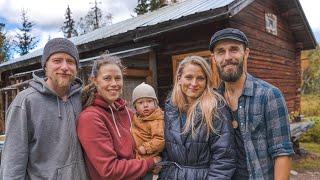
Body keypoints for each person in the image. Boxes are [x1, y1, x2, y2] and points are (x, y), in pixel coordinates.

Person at [209, 28, 294, 179]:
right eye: (221, 51)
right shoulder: (213, 101)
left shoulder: (269, 95)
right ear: (214, 58)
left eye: (234, 49)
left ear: (246, 53)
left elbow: (282, 153)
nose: (227, 57)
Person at [0, 38, 89, 179]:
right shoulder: (26, 102)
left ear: (76, 68)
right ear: (45, 66)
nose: (65, 67)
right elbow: (12, 163)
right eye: (57, 60)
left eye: (70, 61)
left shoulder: (82, 98)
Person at [77, 55, 161, 180]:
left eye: (118, 78)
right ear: (95, 80)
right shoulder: (90, 118)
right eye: (107, 78)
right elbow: (110, 170)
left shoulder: (128, 112)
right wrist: (150, 163)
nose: (114, 84)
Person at [158, 56, 236, 179]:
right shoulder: (170, 107)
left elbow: (224, 159)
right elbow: (167, 152)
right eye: (189, 77)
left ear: (206, 81)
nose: (194, 83)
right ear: (179, 78)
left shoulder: (216, 108)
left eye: (200, 78)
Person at [131, 82, 165, 180]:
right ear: (135, 106)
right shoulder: (136, 118)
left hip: (151, 160)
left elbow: (160, 140)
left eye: (149, 101)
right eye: (140, 102)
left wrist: (145, 148)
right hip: (138, 160)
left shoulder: (156, 120)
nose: (145, 105)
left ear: (155, 103)